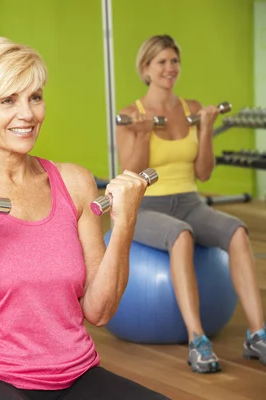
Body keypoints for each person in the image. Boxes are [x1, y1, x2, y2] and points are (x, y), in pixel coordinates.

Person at [0, 37, 169, 399]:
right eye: (8, 100)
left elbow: (99, 311)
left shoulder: (74, 182)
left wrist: (124, 224)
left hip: (75, 375)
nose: (27, 114)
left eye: (35, 97)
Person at [115, 34, 266, 374]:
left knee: (238, 231)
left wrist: (208, 129)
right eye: (162, 62)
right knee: (181, 235)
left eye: (174, 61)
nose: (170, 68)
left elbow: (204, 172)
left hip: (190, 201)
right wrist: (141, 134)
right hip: (148, 206)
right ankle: (197, 340)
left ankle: (257, 335)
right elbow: (131, 173)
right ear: (146, 69)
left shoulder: (192, 110)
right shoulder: (131, 114)